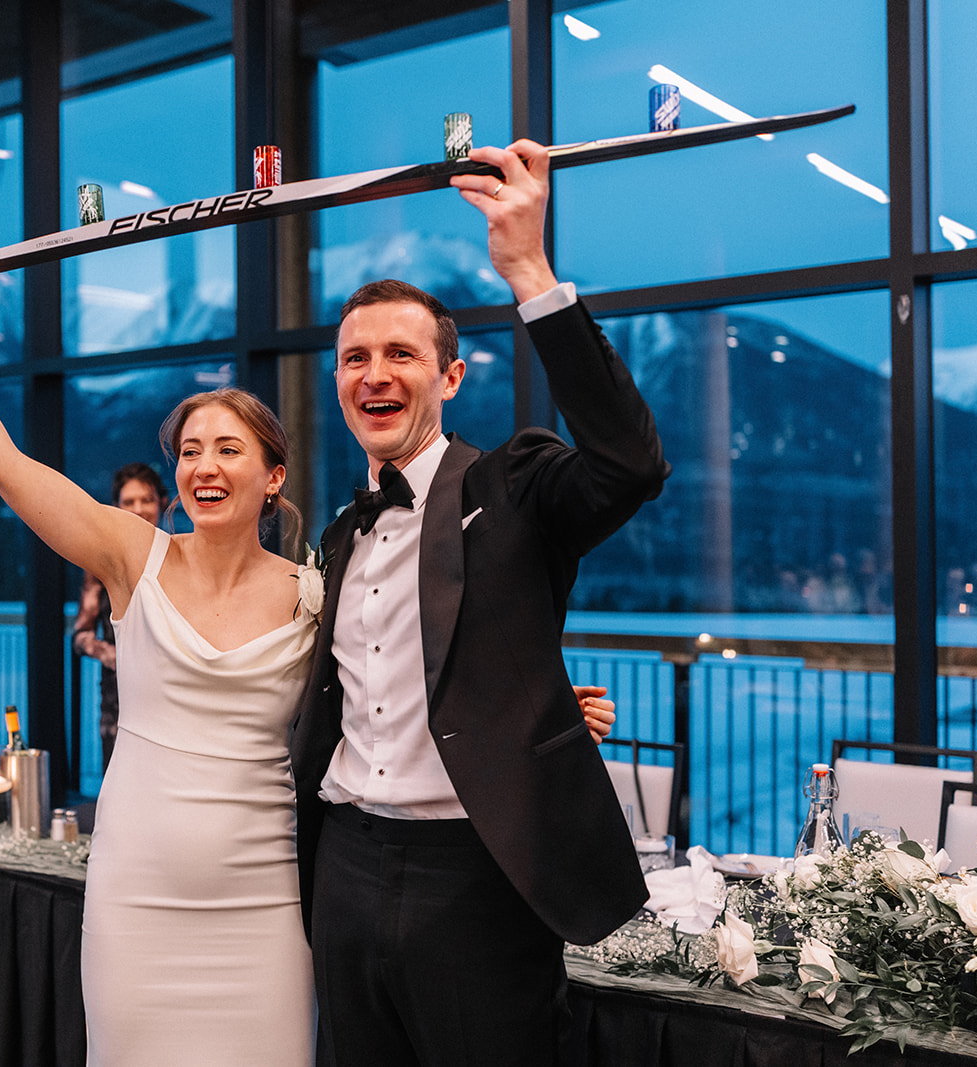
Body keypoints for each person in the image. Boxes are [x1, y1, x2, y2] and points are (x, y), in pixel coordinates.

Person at [0, 269, 321, 1063]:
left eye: (229, 448)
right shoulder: (135, 557)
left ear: (272, 476)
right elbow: (2, 463)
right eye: (190, 450)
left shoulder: (314, 596)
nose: (205, 465)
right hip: (137, 897)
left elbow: (405, 678)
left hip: (265, 901)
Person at [289, 139, 671, 1066]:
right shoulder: (340, 532)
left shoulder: (515, 485)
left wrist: (529, 271)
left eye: (399, 355)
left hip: (477, 870)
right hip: (341, 861)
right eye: (353, 358)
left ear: (451, 377)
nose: (373, 373)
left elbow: (630, 463)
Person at [71, 462, 168, 772]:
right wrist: (117, 655)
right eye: (129, 502)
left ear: (161, 503)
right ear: (116, 507)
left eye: (146, 500)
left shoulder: (179, 555)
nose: (138, 509)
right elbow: (80, 636)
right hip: (120, 698)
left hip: (172, 694)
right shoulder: (102, 564)